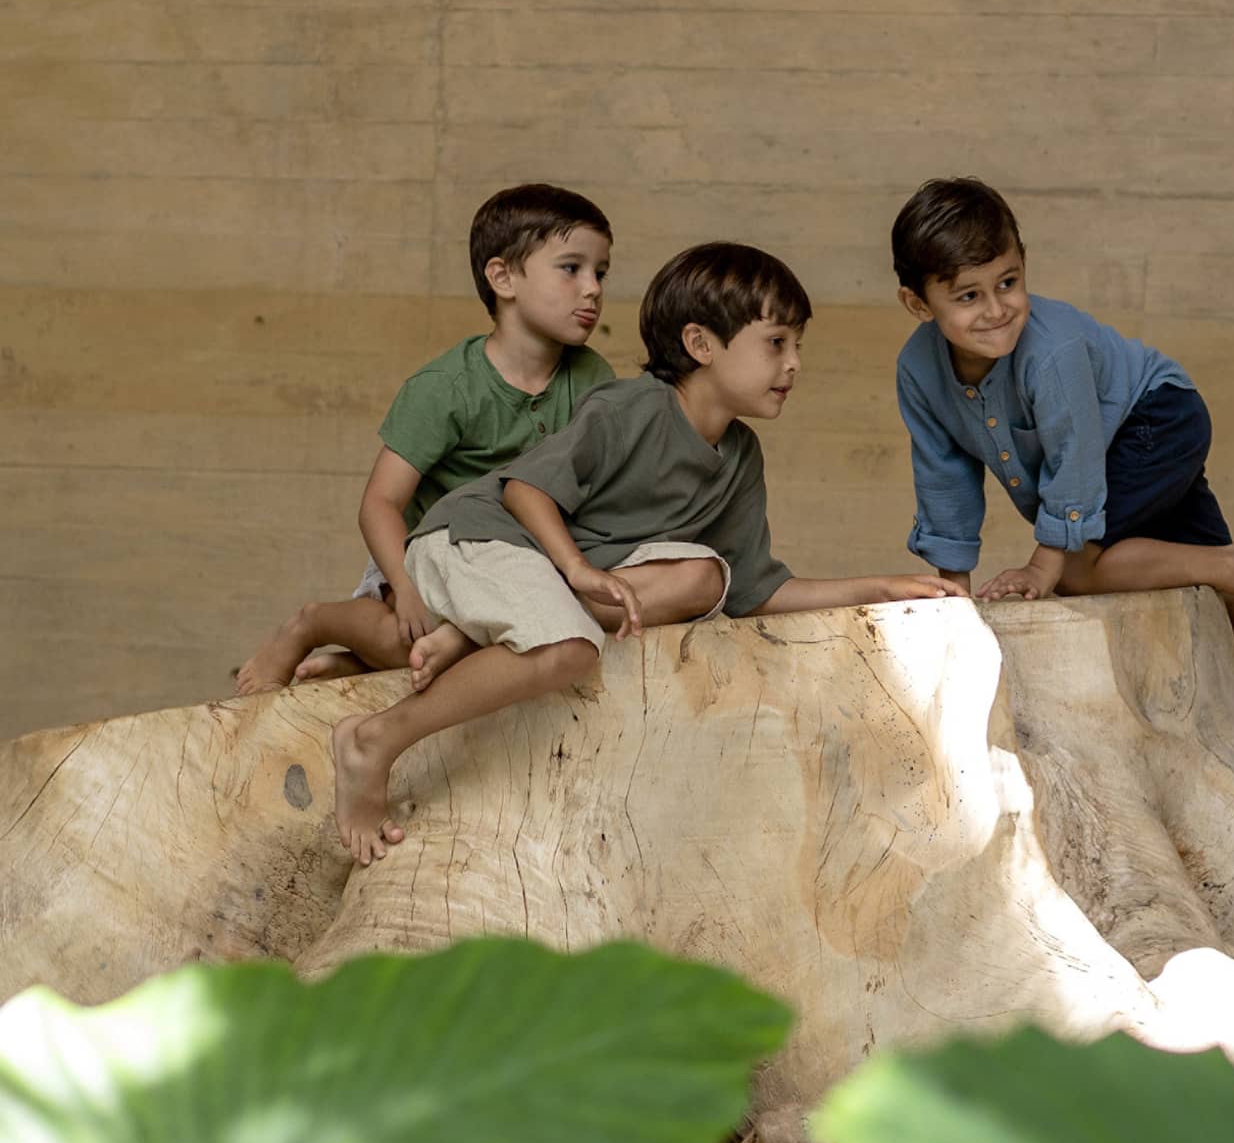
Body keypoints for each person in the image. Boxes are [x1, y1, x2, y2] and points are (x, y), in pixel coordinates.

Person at [332, 241, 963, 863]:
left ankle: (479, 635)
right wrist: (577, 570)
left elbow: (755, 592)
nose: (794, 363)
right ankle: (376, 740)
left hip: (549, 576)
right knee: (569, 648)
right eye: (776, 343)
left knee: (706, 578)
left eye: (797, 345)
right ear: (700, 345)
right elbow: (524, 489)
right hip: (481, 536)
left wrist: (879, 589)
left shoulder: (739, 455)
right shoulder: (630, 409)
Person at [891, 176, 1234, 833]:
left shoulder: (1051, 353)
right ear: (917, 302)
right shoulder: (919, 371)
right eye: (967, 296)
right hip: (1117, 445)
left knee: (1081, 572)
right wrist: (951, 597)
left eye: (1008, 282)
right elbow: (943, 475)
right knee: (1194, 561)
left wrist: (1045, 568)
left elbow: (1076, 460)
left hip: (1156, 419)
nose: (996, 309)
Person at [235, 184, 616, 693]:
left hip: (524, 554)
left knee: (559, 622)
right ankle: (314, 623)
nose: (592, 288)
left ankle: (364, 665)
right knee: (418, 634)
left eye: (600, 273)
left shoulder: (592, 378)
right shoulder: (446, 388)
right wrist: (409, 589)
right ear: (503, 277)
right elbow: (380, 503)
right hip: (428, 554)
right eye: (571, 269)